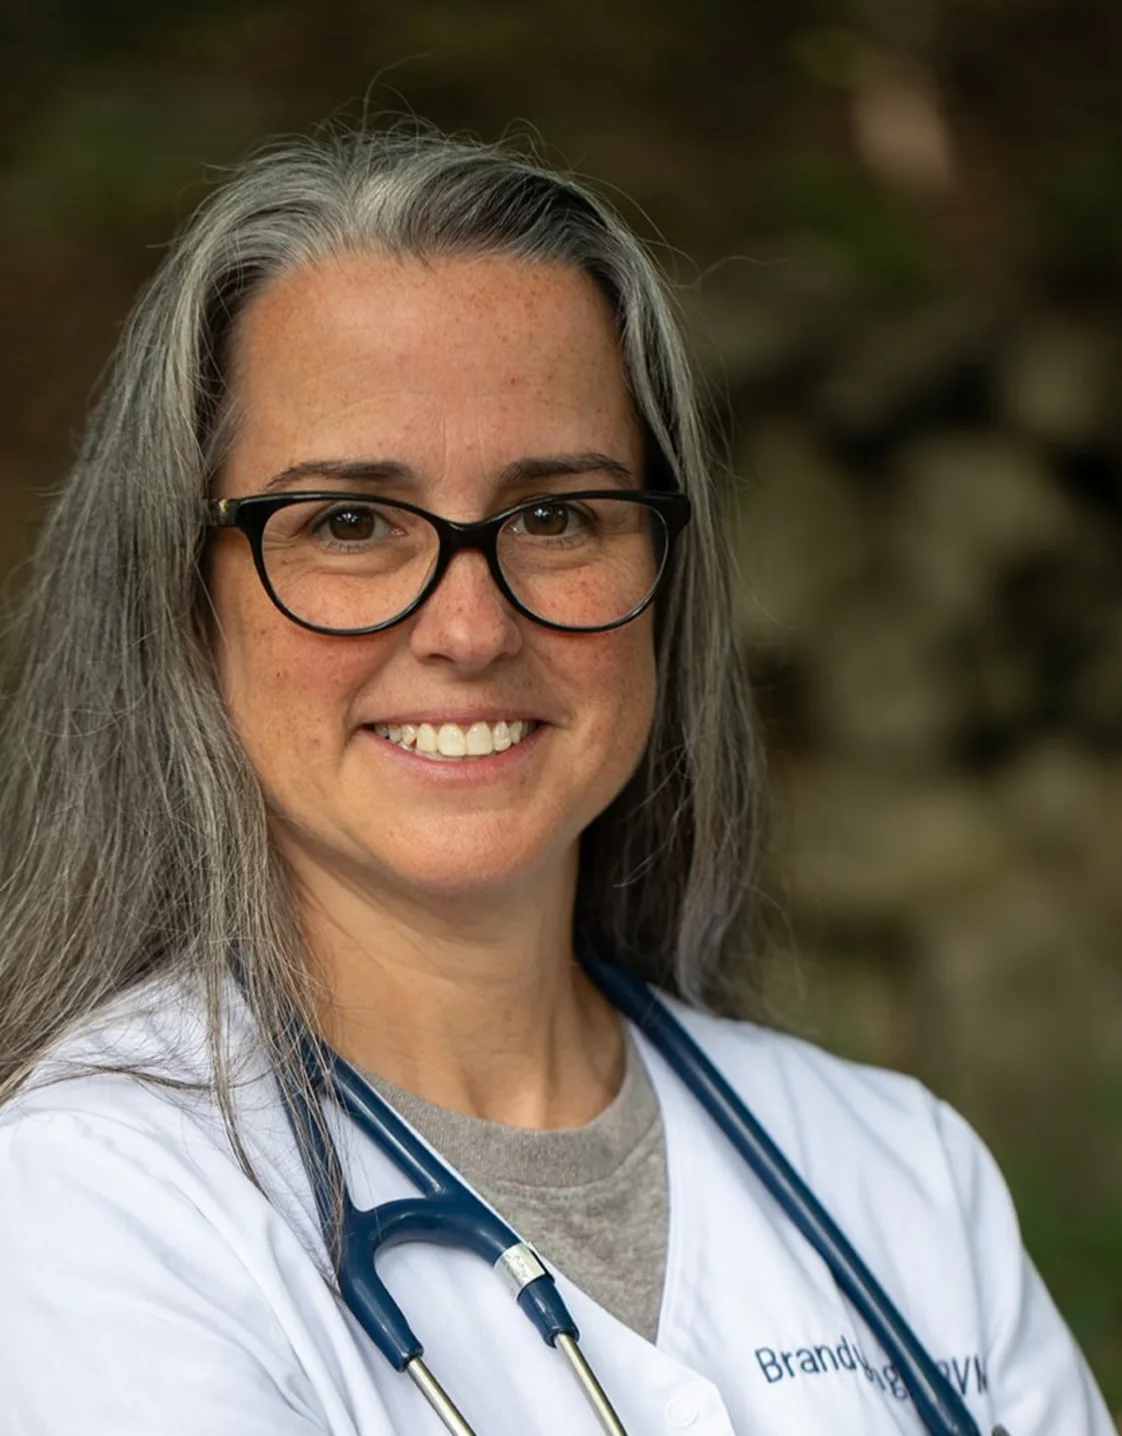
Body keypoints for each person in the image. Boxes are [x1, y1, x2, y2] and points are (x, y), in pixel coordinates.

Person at [0, 125, 1111, 1436]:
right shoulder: (88, 1208)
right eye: (348, 522)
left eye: (555, 514)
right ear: (185, 599)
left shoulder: (894, 1171)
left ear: (665, 577)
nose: (468, 630)